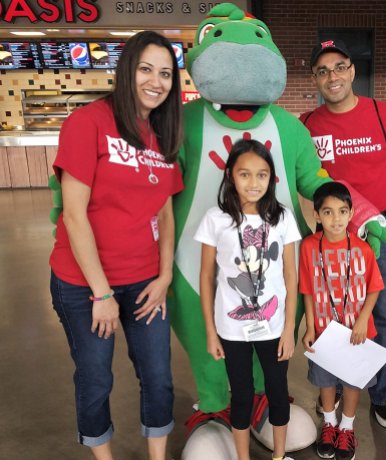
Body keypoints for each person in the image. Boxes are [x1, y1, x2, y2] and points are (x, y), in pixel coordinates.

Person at [48, 31, 183, 460]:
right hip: (83, 285)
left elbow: (164, 213)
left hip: (145, 280)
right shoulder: (89, 122)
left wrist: (164, 276)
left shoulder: (163, 135)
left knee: (159, 377)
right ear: (127, 70)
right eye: (146, 69)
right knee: (95, 378)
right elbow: (74, 215)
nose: (155, 81)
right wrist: (102, 293)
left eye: (165, 73)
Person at [302, 39, 386, 428]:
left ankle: (381, 393)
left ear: (352, 71)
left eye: (339, 67)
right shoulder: (308, 124)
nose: (332, 76)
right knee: (330, 315)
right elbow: (302, 181)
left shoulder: (384, 114)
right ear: (315, 79)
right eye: (323, 71)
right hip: (330, 235)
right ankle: (333, 390)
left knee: (382, 316)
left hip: (377, 232)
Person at [196, 139, 300, 460]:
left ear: (271, 179)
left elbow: (291, 276)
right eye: (245, 175)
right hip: (231, 329)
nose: (253, 183)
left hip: (274, 328)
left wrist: (288, 331)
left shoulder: (281, 218)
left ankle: (279, 456)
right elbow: (206, 278)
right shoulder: (216, 219)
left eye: (262, 175)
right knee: (240, 396)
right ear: (230, 175)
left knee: (278, 392)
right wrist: (212, 332)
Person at [300, 182, 384, 460]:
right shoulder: (309, 248)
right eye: (328, 212)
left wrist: (362, 320)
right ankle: (329, 424)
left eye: (342, 211)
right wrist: (310, 327)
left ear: (351, 215)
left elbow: (374, 287)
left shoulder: (362, 249)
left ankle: (346, 427)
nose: (336, 219)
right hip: (324, 332)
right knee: (325, 381)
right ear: (316, 215)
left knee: (351, 382)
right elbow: (308, 291)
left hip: (357, 333)